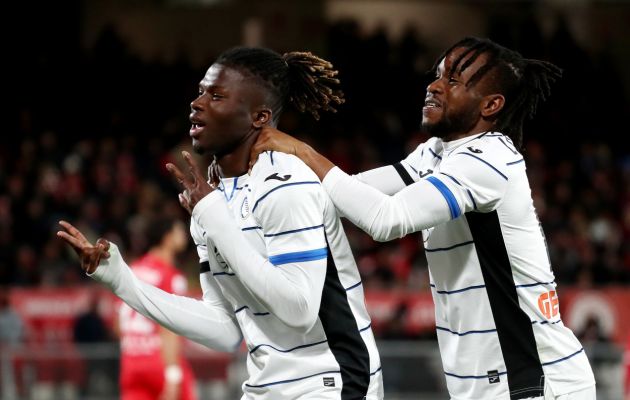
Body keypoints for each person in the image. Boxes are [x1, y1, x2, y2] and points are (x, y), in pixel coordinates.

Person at [249, 37, 596, 399]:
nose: (434, 86)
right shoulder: (435, 154)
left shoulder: (488, 159)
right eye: (438, 75)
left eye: (454, 81)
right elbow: (345, 193)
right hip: (487, 380)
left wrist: (302, 151)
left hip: (533, 378)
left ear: (491, 104)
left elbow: (386, 219)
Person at [58, 46, 383, 400]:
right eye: (200, 92)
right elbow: (224, 328)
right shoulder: (211, 197)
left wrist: (213, 215)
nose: (197, 103)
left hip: (333, 381)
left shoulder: (285, 182)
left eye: (217, 96)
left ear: (259, 117)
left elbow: (300, 310)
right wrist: (122, 281)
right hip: (266, 387)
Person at [117, 216, 196, 400]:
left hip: (131, 363)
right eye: (179, 231)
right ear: (167, 238)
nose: (184, 235)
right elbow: (169, 329)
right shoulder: (170, 276)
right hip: (159, 363)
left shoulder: (133, 270)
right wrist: (173, 375)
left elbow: (118, 321)